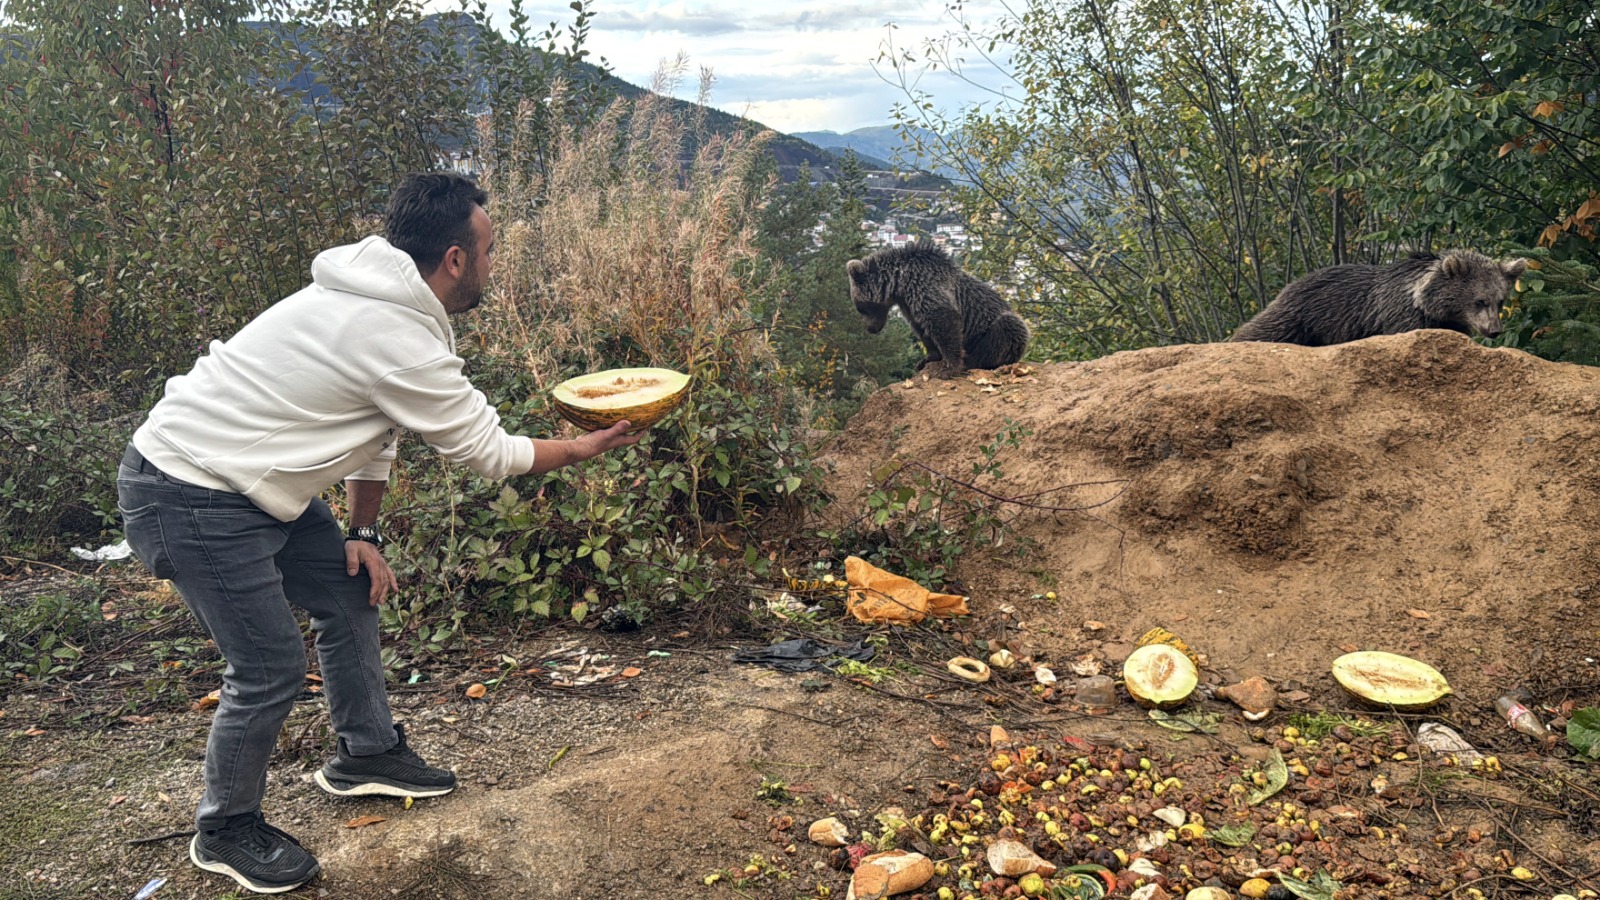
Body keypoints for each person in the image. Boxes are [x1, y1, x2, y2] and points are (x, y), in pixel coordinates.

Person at [116, 172, 639, 894]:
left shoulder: (381, 300)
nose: (492, 265)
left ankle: (364, 755)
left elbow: (375, 431)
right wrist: (579, 449)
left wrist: (366, 530)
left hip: (251, 482)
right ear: (454, 259)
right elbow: (487, 452)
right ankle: (225, 828)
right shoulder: (391, 329)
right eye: (487, 250)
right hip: (187, 489)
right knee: (267, 667)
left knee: (349, 587)